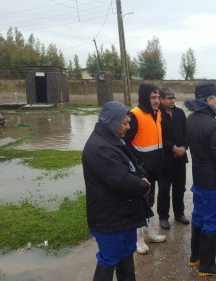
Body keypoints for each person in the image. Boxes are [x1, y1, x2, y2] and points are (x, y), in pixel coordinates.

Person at [82, 101, 151, 281]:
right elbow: (121, 181)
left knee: (125, 253)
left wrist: (141, 175)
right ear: (112, 122)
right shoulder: (99, 148)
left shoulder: (113, 139)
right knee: (110, 257)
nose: (128, 127)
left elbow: (133, 163)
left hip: (122, 213)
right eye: (125, 123)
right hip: (110, 217)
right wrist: (143, 185)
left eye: (129, 123)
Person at [184, 81, 216, 277]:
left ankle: (194, 257)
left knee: (199, 217)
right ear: (209, 100)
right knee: (212, 221)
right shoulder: (213, 125)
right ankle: (207, 265)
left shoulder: (190, 120)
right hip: (215, 183)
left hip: (200, 180)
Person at [124, 83, 166, 254]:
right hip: (140, 169)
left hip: (154, 167)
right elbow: (125, 142)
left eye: (157, 97)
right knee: (139, 203)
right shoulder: (134, 115)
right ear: (144, 98)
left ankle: (149, 232)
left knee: (149, 201)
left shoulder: (157, 113)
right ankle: (138, 239)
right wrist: (137, 164)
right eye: (152, 97)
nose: (156, 101)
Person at [157, 87, 190, 230]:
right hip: (164, 159)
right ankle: (163, 217)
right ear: (161, 99)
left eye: (173, 98)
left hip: (180, 159)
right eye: (169, 98)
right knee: (164, 190)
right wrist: (173, 148)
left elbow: (187, 132)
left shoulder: (180, 112)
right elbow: (158, 137)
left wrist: (183, 147)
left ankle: (179, 213)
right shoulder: (157, 114)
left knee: (180, 188)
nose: (172, 100)